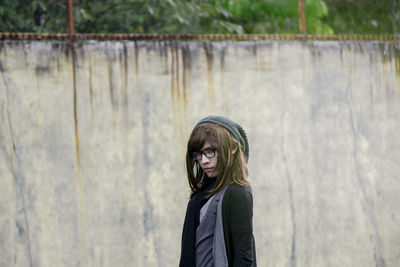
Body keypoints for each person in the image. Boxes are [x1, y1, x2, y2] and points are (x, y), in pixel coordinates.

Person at [179, 115, 256, 267]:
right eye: (198, 154)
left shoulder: (238, 192)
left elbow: (244, 255)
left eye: (210, 151)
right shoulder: (204, 194)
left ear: (233, 148)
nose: (204, 160)